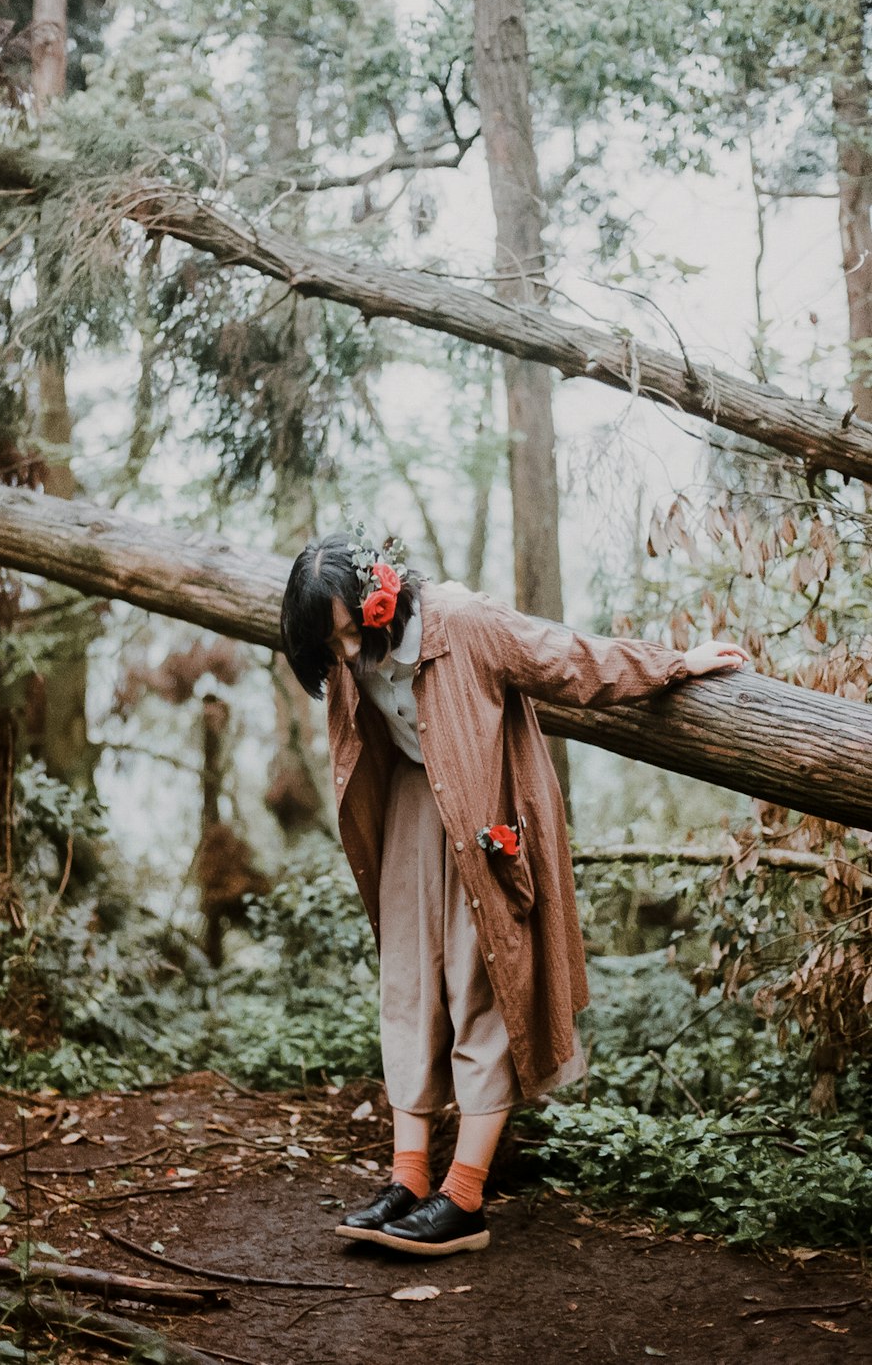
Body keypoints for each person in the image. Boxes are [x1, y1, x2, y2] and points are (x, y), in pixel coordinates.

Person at [279, 527, 749, 1257]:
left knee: (481, 985)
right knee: (407, 987)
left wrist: (675, 664)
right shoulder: (344, 654)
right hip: (407, 810)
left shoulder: (463, 622)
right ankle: (407, 1180)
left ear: (382, 599)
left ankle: (463, 1198)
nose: (344, 656)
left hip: (483, 815)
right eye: (328, 645)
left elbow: (567, 659)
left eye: (348, 635)